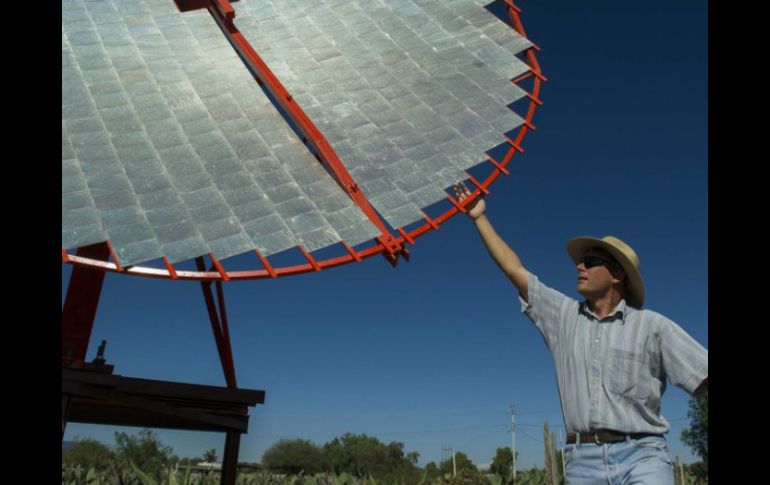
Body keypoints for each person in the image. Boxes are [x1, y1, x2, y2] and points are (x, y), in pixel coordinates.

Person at [454, 183, 707, 485]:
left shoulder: (653, 326)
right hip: (582, 462)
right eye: (581, 261)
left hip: (643, 455)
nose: (579, 266)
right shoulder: (562, 317)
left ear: (617, 274)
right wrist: (479, 218)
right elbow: (515, 271)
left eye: (591, 262)